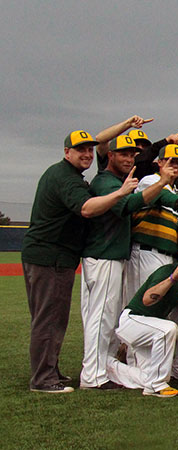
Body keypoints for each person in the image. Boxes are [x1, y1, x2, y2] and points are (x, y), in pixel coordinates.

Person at [22, 130, 138, 393]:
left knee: (52, 317)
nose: (87, 154)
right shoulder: (66, 179)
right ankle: (42, 379)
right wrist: (120, 194)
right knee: (49, 318)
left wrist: (128, 123)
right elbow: (87, 209)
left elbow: (102, 139)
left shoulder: (68, 175)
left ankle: (49, 370)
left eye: (89, 150)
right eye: (80, 150)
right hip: (50, 256)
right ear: (67, 152)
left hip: (52, 255)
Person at [79, 135, 178, 390]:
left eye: (132, 154)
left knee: (106, 318)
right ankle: (93, 376)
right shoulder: (106, 181)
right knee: (101, 318)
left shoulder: (116, 181)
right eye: (123, 154)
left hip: (110, 255)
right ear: (110, 156)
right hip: (103, 255)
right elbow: (127, 206)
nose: (129, 158)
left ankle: (101, 369)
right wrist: (160, 184)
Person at [106, 235, 178, 397]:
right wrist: (172, 278)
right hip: (134, 319)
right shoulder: (168, 271)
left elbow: (175, 298)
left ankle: (111, 367)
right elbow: (148, 299)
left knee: (148, 376)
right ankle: (156, 386)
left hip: (149, 326)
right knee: (168, 329)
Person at [123, 145, 178, 307]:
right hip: (146, 252)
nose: (175, 166)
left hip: (166, 255)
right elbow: (166, 197)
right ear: (159, 162)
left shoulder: (174, 189)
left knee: (160, 305)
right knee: (140, 305)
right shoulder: (149, 180)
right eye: (170, 161)